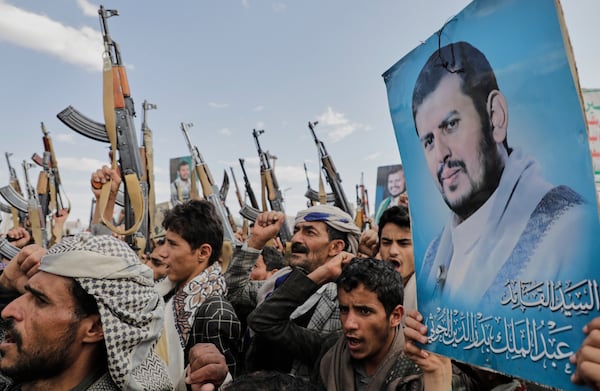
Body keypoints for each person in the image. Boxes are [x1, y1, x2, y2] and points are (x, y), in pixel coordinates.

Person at [411, 41, 596, 309]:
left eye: (451, 125)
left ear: (495, 117)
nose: (441, 154)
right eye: (428, 141)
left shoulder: (572, 231)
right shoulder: (434, 255)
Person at [249, 255, 468, 390]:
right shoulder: (331, 349)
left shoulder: (428, 370)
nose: (349, 324)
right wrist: (323, 273)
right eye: (344, 309)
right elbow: (264, 321)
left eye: (364, 311)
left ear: (396, 315)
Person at [0, 233, 173, 390]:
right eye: (25, 293)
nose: (8, 311)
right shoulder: (21, 374)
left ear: (95, 327)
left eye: (40, 300)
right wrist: (5, 287)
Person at [225, 204, 361, 376]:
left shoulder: (342, 299)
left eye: (309, 232)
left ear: (336, 247)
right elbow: (233, 293)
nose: (296, 239)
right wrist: (256, 240)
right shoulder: (280, 281)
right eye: (296, 230)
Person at [155, 199, 241, 388]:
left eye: (172, 244)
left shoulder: (216, 313)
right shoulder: (166, 292)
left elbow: (222, 384)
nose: (162, 252)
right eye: (164, 242)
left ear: (203, 252)